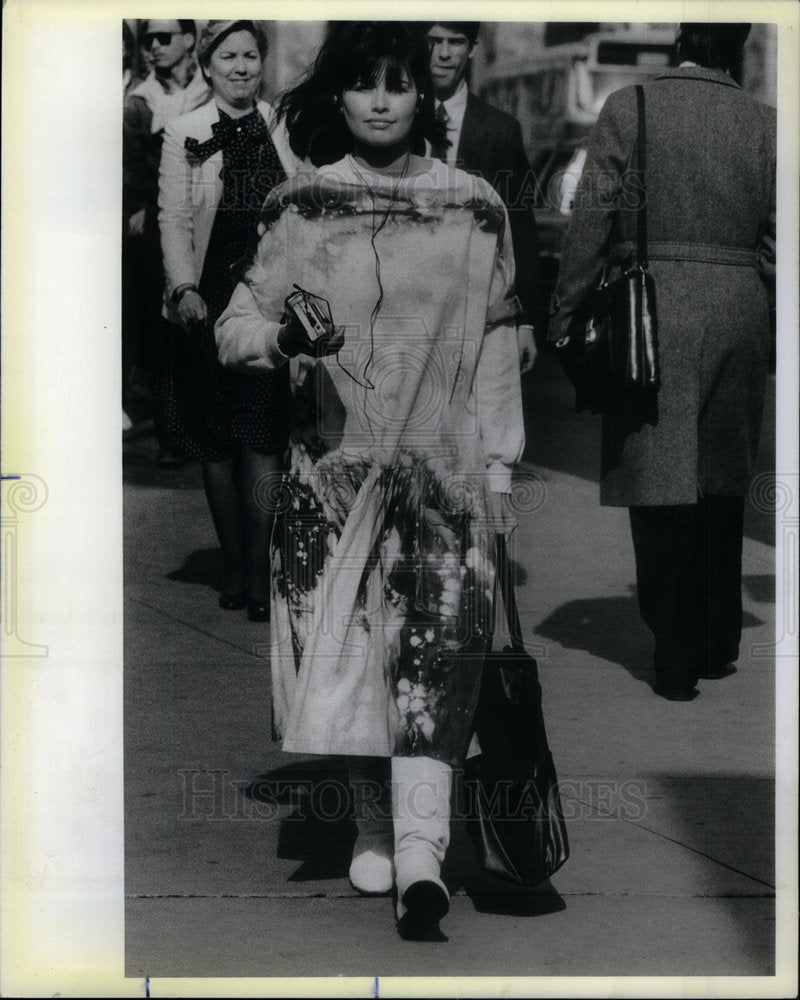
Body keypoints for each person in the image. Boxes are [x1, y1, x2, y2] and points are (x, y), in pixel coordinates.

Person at [215, 22, 524, 939]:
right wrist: (278, 341)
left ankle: (423, 857)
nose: (383, 100)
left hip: (443, 474)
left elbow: (499, 344)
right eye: (364, 84)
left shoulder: (473, 206)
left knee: (433, 657)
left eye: (398, 83)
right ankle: (376, 825)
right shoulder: (300, 206)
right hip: (330, 475)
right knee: (346, 655)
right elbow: (235, 325)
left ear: (421, 95)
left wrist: (501, 465)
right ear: (339, 97)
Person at [548, 24, 776, 701]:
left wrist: (565, 312)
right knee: (721, 475)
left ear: (678, 41)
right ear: (738, 48)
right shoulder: (766, 123)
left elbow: (592, 220)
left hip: (649, 309)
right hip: (740, 304)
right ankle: (716, 636)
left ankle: (673, 648)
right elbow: (779, 234)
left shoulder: (630, 108)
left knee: (657, 479)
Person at [158, 20, 301, 620]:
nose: (241, 67)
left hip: (266, 301)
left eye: (250, 56)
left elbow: (300, 202)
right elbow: (173, 219)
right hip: (207, 301)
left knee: (263, 435)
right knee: (217, 442)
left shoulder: (280, 125)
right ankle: (236, 568)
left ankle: (266, 574)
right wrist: (184, 287)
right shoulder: (184, 131)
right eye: (229, 57)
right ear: (208, 66)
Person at [423, 21, 541, 373]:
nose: (443, 53)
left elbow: (520, 227)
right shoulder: (396, 122)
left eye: (455, 42)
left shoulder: (501, 131)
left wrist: (526, 322)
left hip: (477, 313)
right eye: (434, 41)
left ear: (472, 47)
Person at [122, 20, 210, 455]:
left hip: (209, 212)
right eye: (148, 40)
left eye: (164, 37)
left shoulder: (209, 88)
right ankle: (172, 432)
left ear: (190, 39)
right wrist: (139, 205)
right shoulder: (141, 102)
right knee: (166, 321)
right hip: (159, 218)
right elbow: (133, 167)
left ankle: (205, 421)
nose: (154, 47)